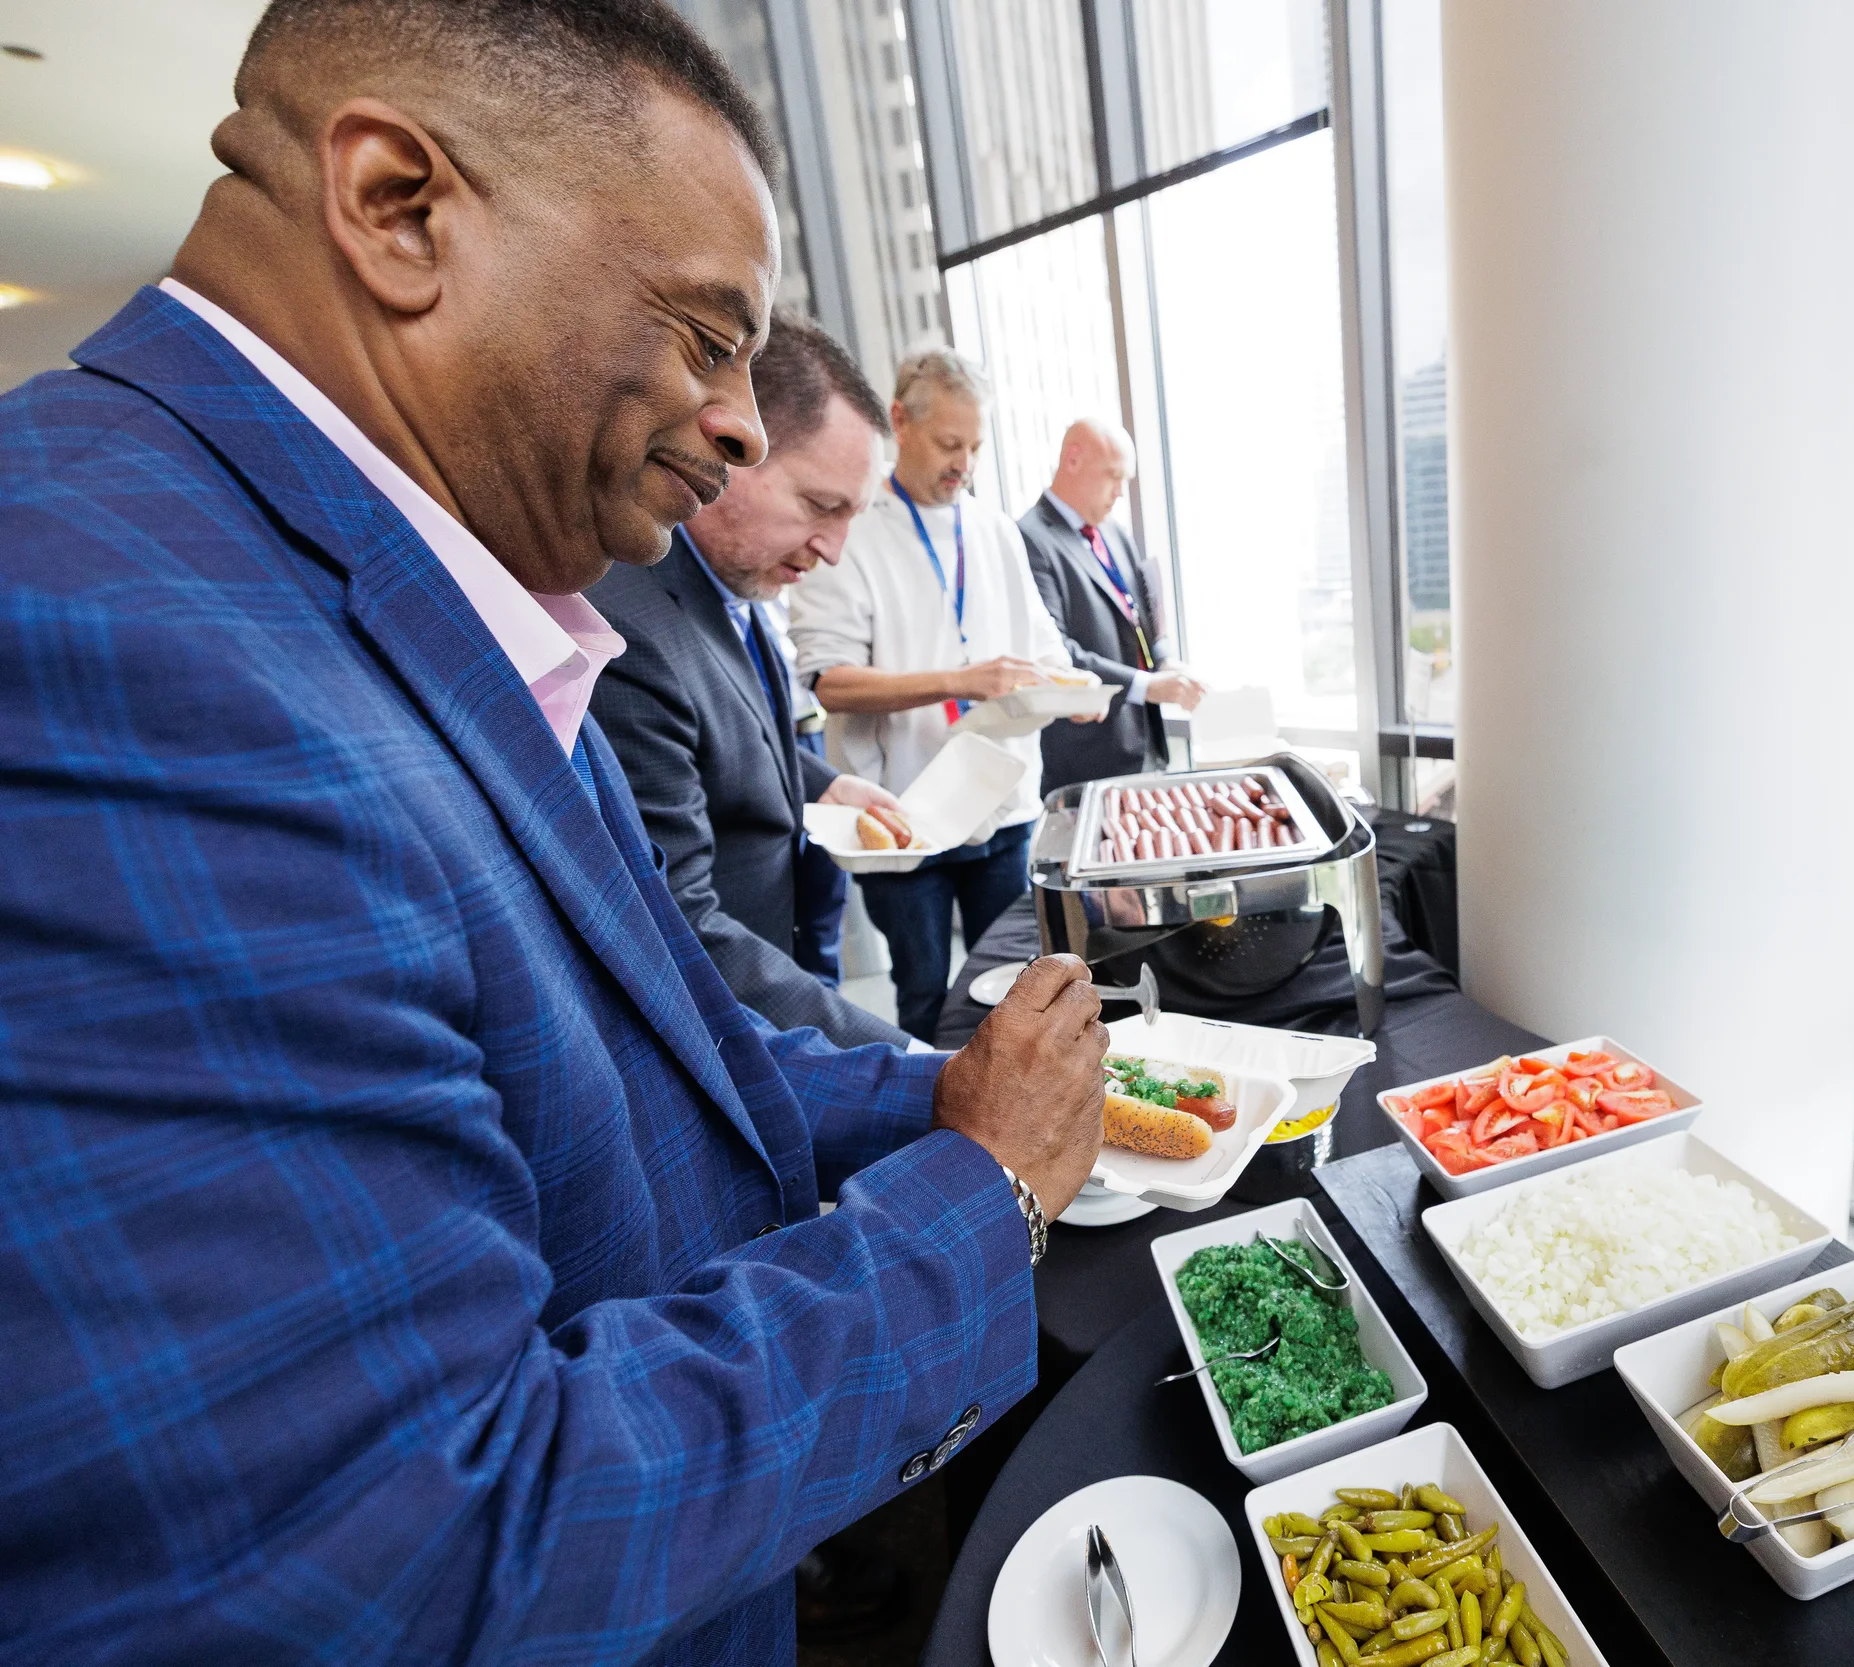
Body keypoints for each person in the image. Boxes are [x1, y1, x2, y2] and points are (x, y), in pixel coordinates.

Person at [0, 3, 1107, 1662]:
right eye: (708, 337)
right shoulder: (105, 636)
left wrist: (949, 1098)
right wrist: (982, 1192)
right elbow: (414, 1553)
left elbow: (663, 1075)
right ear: (399, 207)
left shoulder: (448, 602)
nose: (739, 424)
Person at [588, 313, 910, 1051]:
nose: (833, 550)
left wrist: (822, 782)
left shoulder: (737, 586)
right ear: (731, 446)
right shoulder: (632, 633)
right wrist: (904, 1058)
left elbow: (727, 736)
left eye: (850, 517)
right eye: (820, 507)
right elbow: (685, 927)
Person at [788, 349, 1086, 1042]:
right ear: (900, 421)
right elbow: (828, 680)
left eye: (976, 447)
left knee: (1014, 987)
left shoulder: (993, 529)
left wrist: (1072, 687)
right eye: (951, 444)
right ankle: (940, 1136)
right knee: (924, 991)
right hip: (904, 812)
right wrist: (960, 679)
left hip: (1002, 809)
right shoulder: (851, 531)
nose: (965, 464)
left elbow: (1043, 646)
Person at [1021, 417, 1204, 793]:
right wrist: (1146, 685)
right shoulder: (1030, 538)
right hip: (1085, 759)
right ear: (1073, 460)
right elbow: (1057, 652)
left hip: (1144, 744)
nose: (1120, 491)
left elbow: (1142, 615)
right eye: (1113, 475)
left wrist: (1165, 659)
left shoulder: (1113, 532)